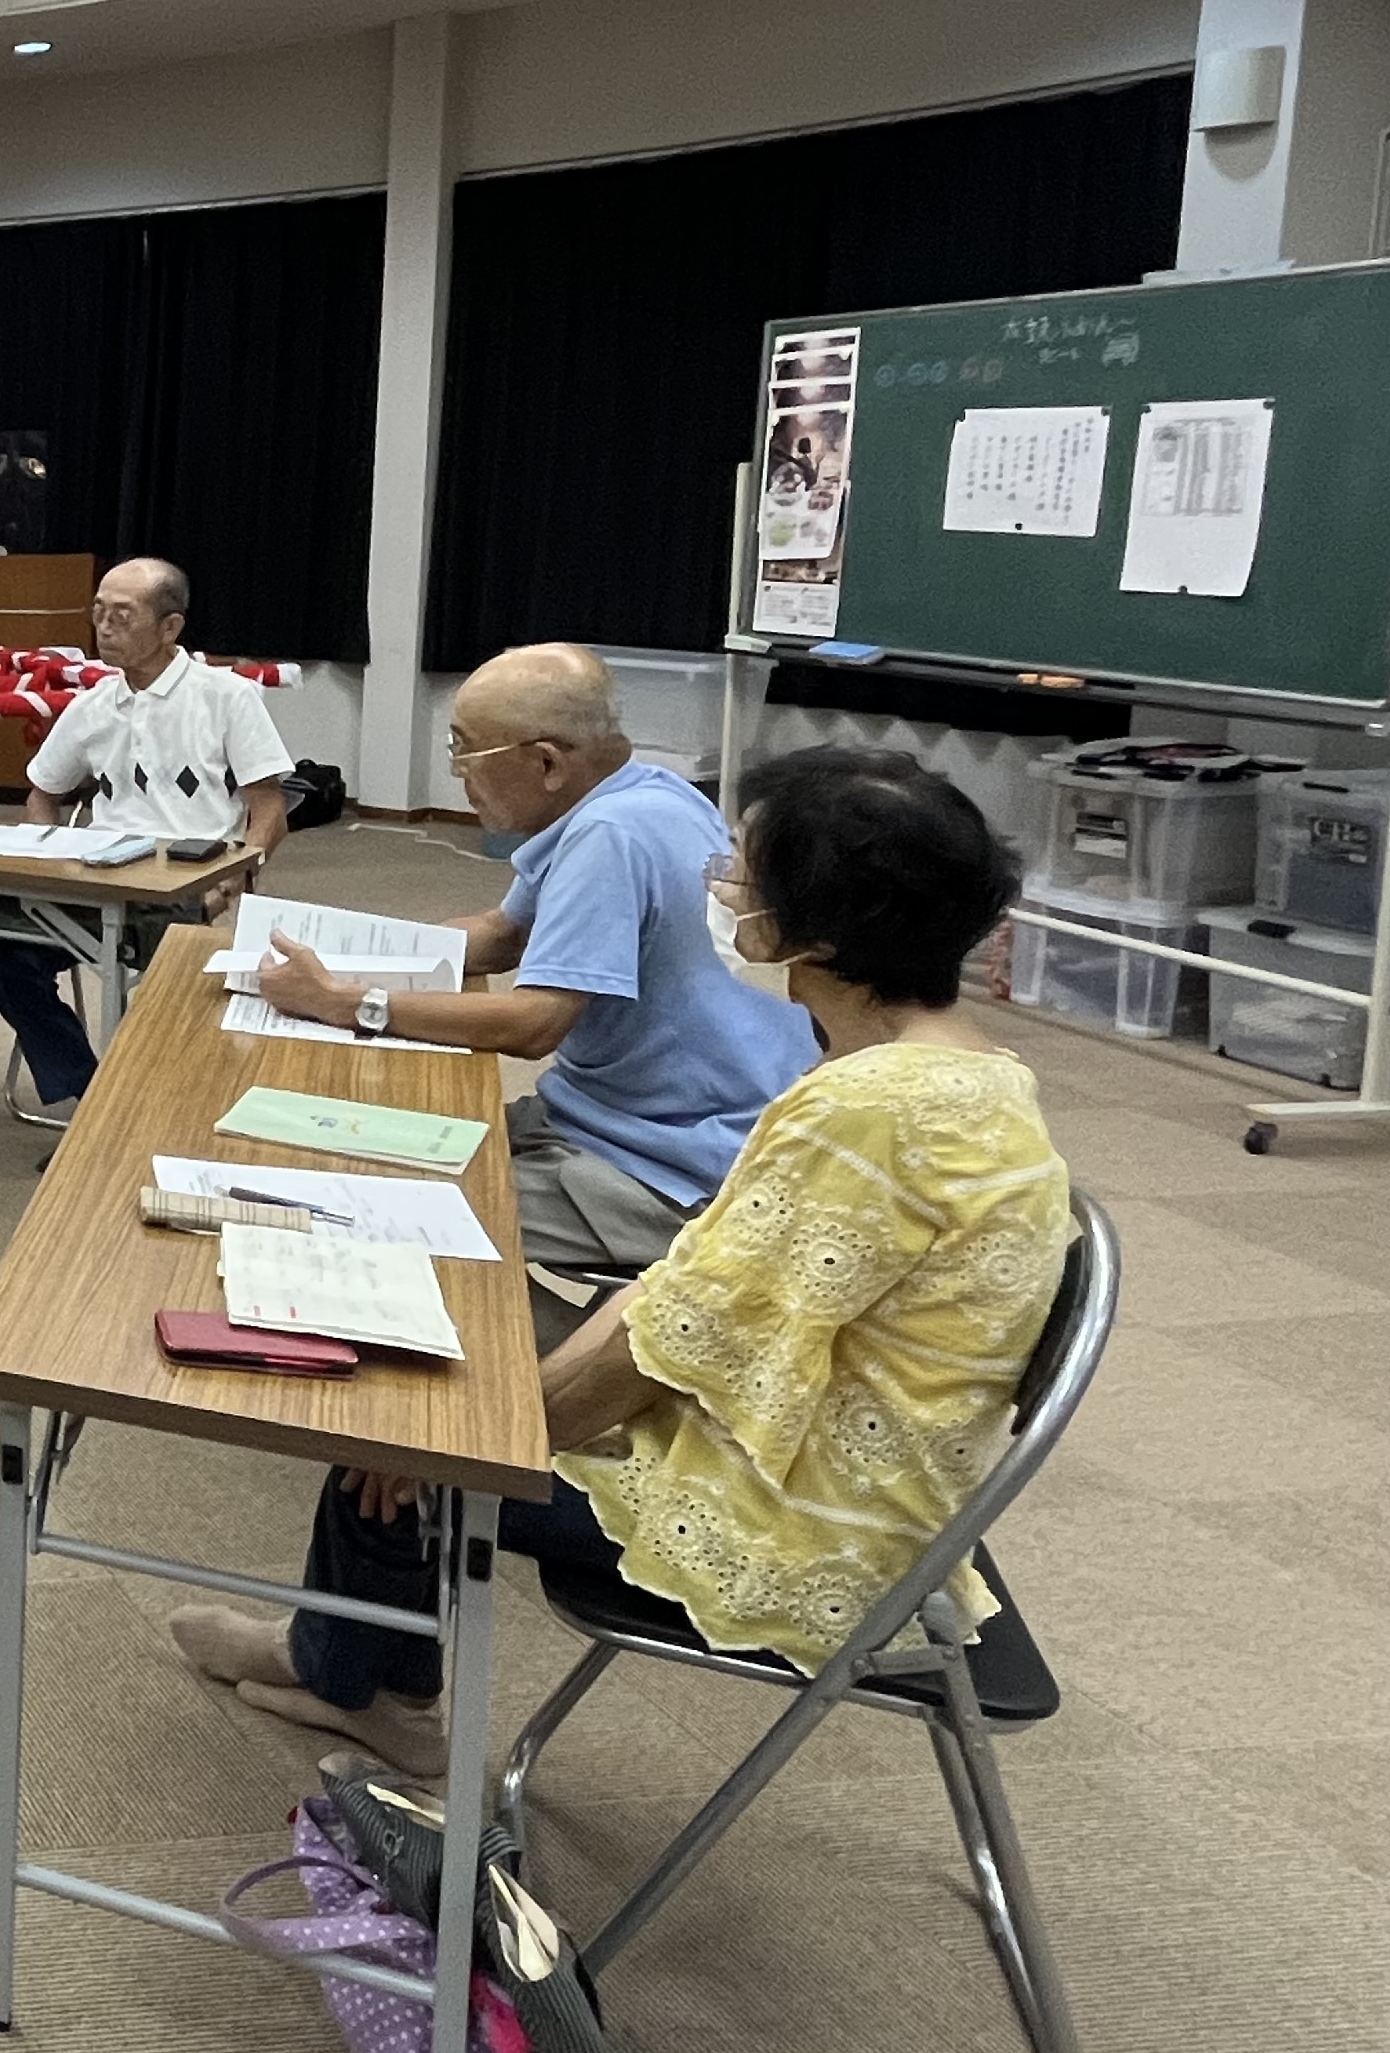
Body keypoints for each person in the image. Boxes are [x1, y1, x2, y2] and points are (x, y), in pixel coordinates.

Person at [167, 748, 1077, 1775]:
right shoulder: (970, 1072)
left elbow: (671, 1342)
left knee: (402, 1428)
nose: (721, 889)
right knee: (445, 1386)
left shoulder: (866, 1110)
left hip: (810, 1522)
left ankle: (362, 1688)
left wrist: (483, 1442)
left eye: (743, 874)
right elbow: (686, 1293)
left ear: (820, 935)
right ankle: (351, 1672)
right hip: (863, 1471)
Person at [252, 642, 810, 1289]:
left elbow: (533, 1023)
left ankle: (540, 1353)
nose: (458, 773)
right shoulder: (649, 792)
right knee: (380, 1144)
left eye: (464, 752)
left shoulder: (610, 836)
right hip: (618, 1113)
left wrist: (344, 1002)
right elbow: (502, 936)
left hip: (670, 1162)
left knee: (369, 1214)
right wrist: (347, 960)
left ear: (546, 762)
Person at [0, 557, 291, 1146]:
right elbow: (42, 793)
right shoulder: (94, 704)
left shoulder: (226, 697)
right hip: (97, 877)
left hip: (184, 888)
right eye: (98, 612)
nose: (104, 627)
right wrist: (46, 856)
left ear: (170, 627)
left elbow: (270, 810)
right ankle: (90, 1101)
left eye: (122, 616)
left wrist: (232, 880)